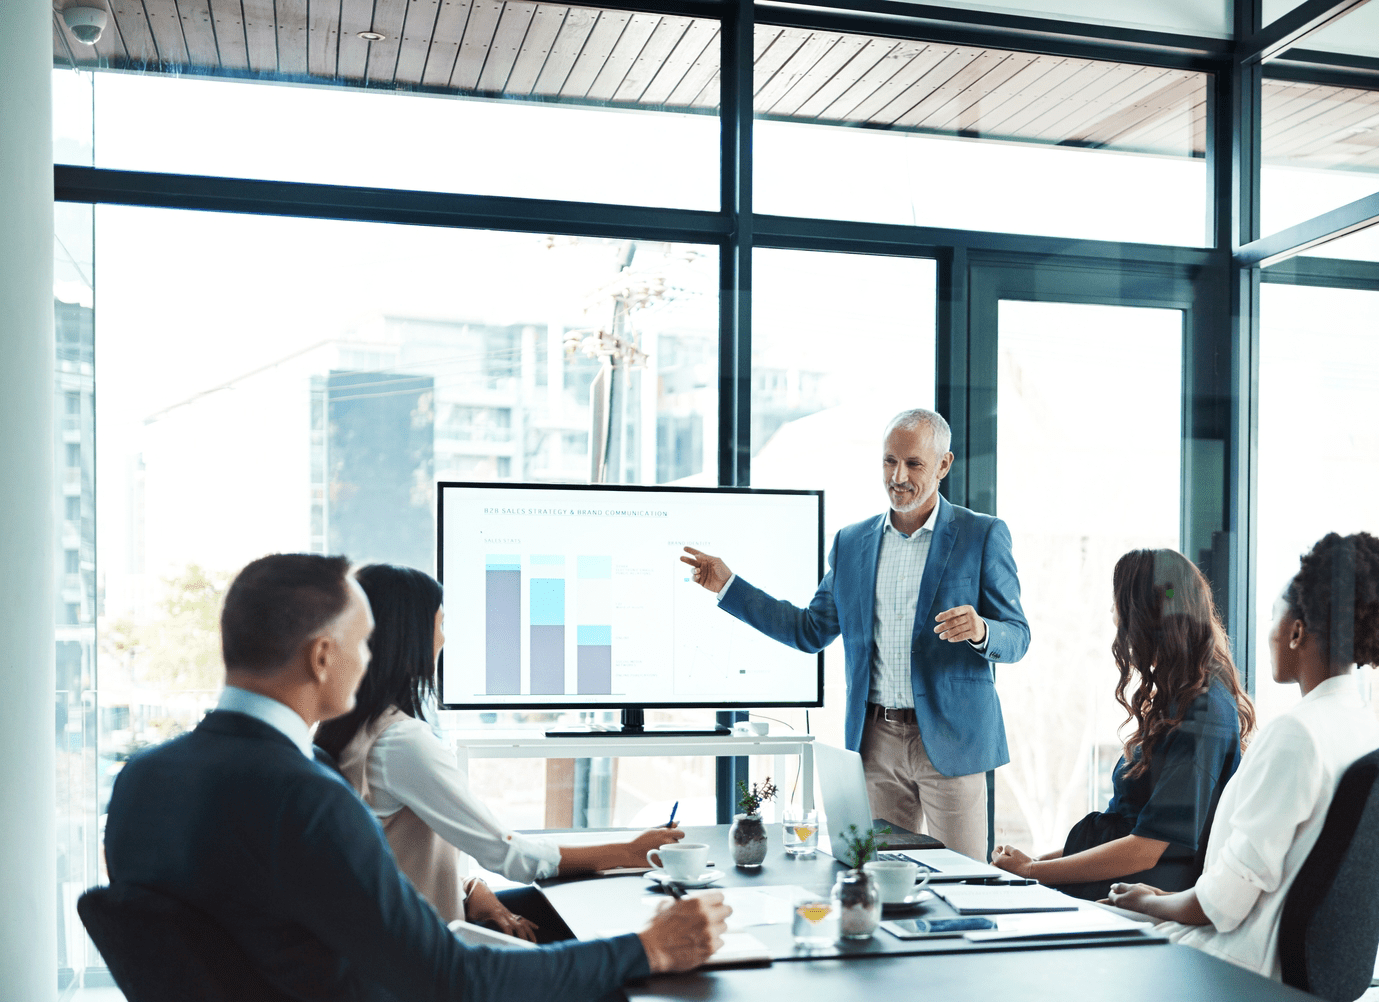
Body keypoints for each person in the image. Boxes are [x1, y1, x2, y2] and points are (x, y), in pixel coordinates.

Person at [104, 553, 729, 1002]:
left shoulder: (140, 780)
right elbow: (450, 980)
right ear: (323, 658)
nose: (371, 658)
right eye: (364, 642)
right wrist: (647, 949)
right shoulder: (310, 796)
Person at [681, 408, 1029, 860]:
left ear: (944, 465)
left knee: (962, 881)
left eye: (914, 464)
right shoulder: (851, 543)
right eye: (889, 461)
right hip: (875, 743)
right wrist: (729, 586)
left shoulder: (981, 535)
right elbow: (809, 630)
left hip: (952, 742)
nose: (898, 476)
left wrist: (983, 630)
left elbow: (1017, 636)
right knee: (878, 880)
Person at [314, 563, 684, 943]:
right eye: (440, 626)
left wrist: (472, 887)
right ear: (411, 637)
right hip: (427, 947)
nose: (443, 640)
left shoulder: (350, 729)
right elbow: (511, 856)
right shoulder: (401, 743)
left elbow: (395, 852)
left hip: (398, 929)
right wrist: (629, 851)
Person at [1107, 532, 1379, 980]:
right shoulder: (1370, 731)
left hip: (1230, 962)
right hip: (1269, 960)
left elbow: (1221, 906)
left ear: (1295, 631)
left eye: (1273, 615)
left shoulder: (1298, 734)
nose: (1268, 630)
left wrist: (1148, 902)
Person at [991, 548, 1254, 900]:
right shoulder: (1180, 700)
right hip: (1123, 882)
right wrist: (1031, 865)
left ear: (1146, 618)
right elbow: (1126, 831)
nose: (1114, 616)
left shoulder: (1203, 713)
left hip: (1139, 893)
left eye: (1120, 606)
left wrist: (1032, 872)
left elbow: (1145, 848)